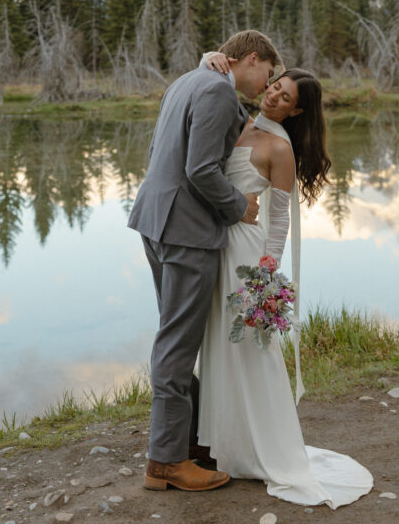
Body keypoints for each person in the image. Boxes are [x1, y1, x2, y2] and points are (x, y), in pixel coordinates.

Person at [197, 57, 373, 509]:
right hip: (216, 245)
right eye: (276, 84)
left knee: (251, 350)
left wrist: (265, 277)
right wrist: (208, 60)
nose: (274, 93)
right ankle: (221, 446)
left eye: (286, 97)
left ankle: (262, 450)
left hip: (246, 255)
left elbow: (279, 220)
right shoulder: (236, 118)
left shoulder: (279, 148)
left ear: (295, 113)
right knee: (218, 343)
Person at [127, 30, 281, 493]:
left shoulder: (190, 81)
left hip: (155, 221)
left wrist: (210, 59)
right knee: (177, 343)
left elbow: (180, 145)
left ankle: (187, 441)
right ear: (251, 59)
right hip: (187, 231)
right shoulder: (216, 87)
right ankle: (166, 462)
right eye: (267, 74)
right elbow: (200, 170)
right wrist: (240, 207)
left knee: (175, 332)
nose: (265, 86)